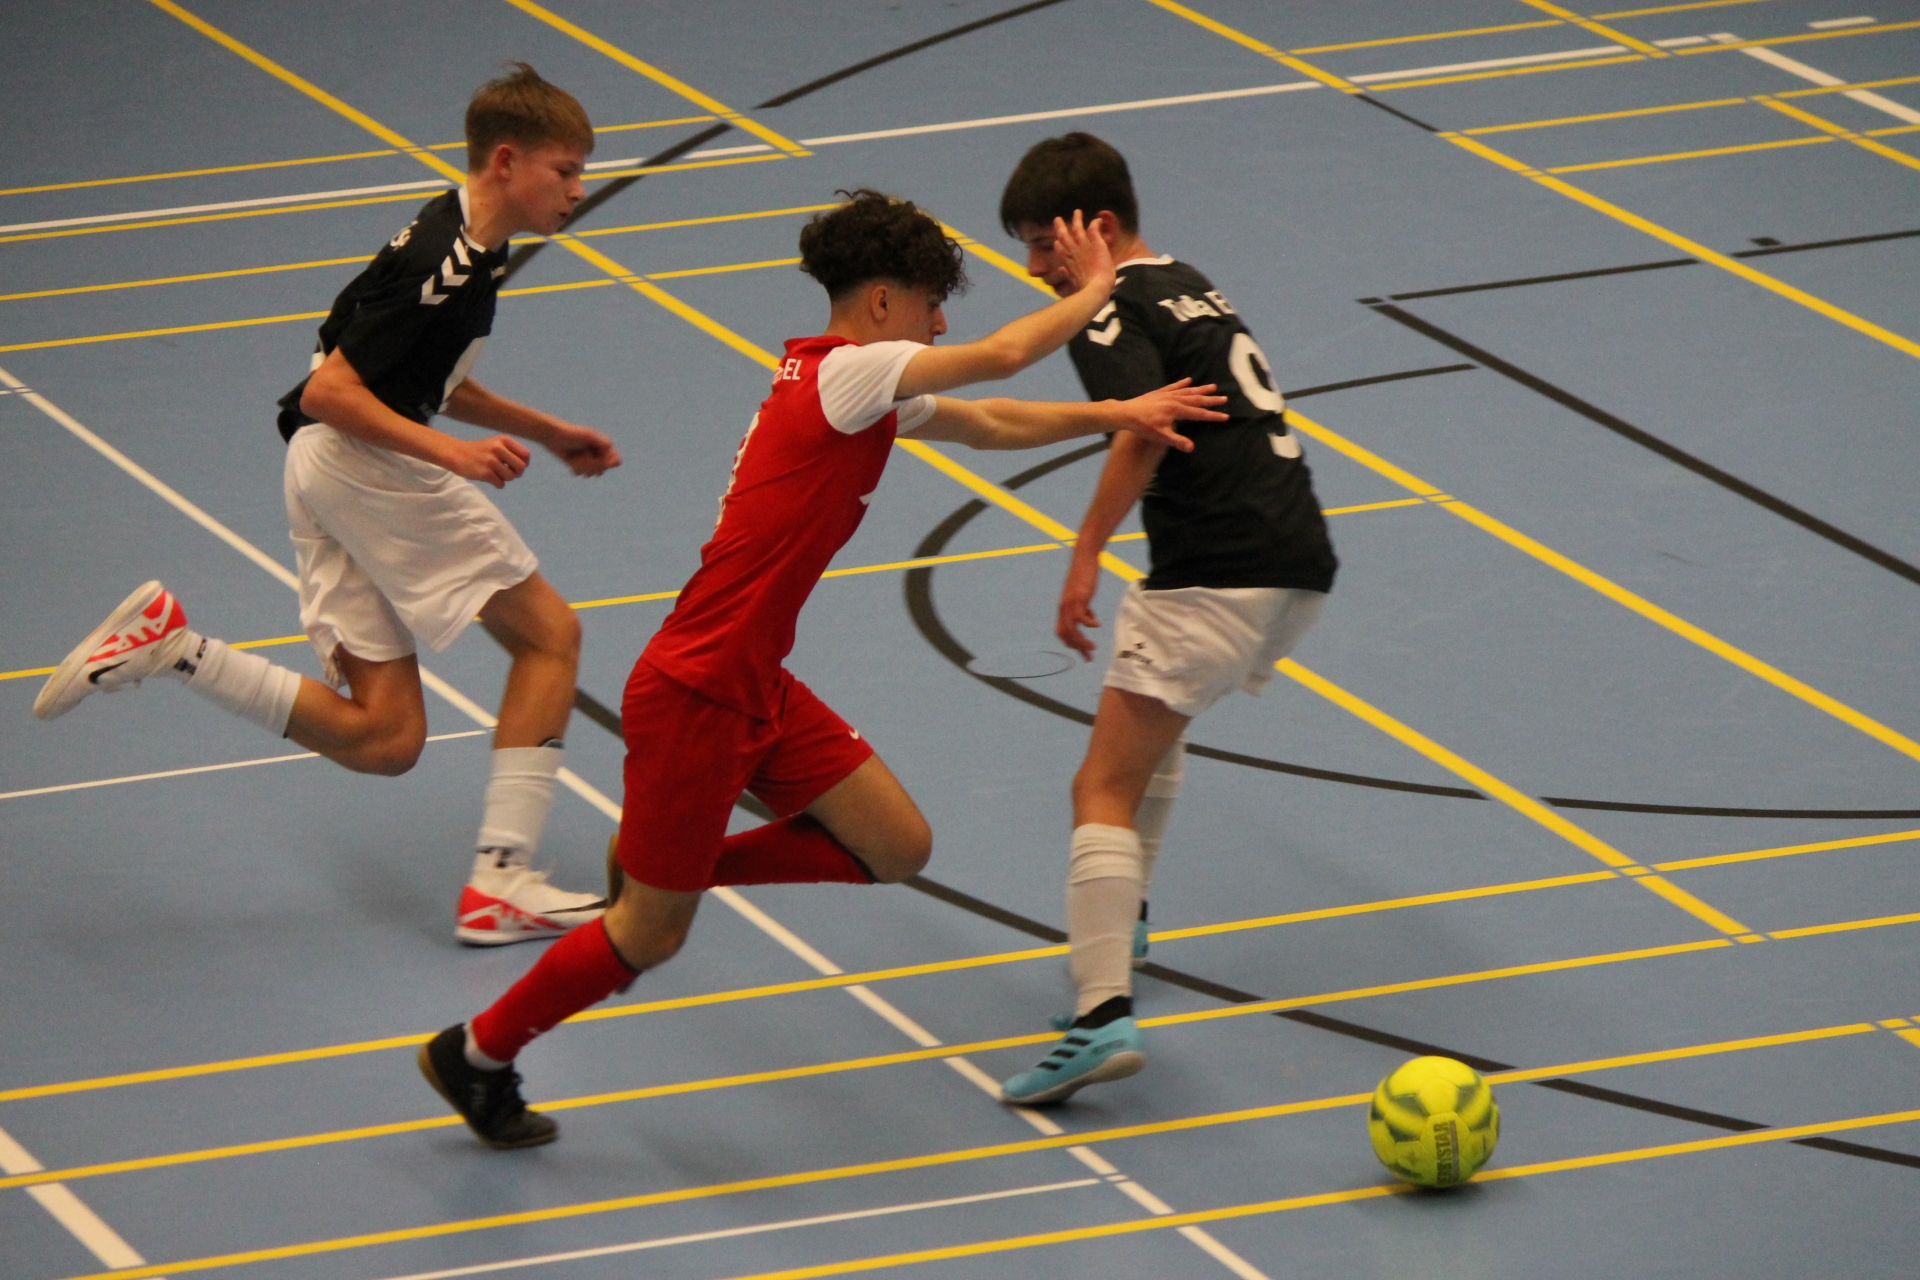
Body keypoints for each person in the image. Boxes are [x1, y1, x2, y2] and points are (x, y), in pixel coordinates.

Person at [416, 189, 1227, 1149]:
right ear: (881, 303)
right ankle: (477, 1053)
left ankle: (668, 863)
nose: (940, 325)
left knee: (896, 848)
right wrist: (1096, 288)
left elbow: (992, 420)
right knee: (649, 935)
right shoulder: (849, 372)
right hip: (697, 689)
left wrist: (1117, 411)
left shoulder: (848, 384)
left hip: (755, 680)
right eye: (931, 306)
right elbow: (1007, 355)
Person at [34, 65, 618, 946]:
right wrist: (454, 456)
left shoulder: (470, 241)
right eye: (565, 171)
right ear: (507, 161)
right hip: (360, 460)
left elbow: (424, 377)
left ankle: (176, 649)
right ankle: (501, 882)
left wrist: (546, 430)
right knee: (550, 637)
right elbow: (330, 391)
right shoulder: (442, 262)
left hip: (326, 466)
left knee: (386, 738)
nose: (578, 191)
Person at [993, 133, 1339, 1105]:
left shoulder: (1108, 304)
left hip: (1217, 568)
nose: (1036, 269)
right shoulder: (1188, 283)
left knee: (1100, 784)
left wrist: (1083, 552)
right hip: (1294, 556)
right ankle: (1126, 923)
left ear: (1096, 229)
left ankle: (1100, 1013)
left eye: (1044, 244)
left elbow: (1142, 427)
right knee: (1152, 725)